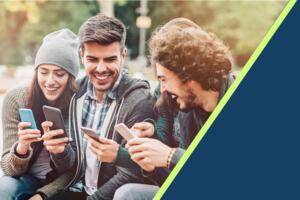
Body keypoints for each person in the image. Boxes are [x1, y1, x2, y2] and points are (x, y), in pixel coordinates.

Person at [113, 18, 235, 200]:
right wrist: (151, 167)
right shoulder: (187, 112)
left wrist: (171, 156)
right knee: (128, 194)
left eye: (164, 79)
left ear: (188, 74)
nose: (162, 89)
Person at [47, 14, 154, 200]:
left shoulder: (138, 100)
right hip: (74, 190)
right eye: (93, 59)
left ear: (123, 55)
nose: (101, 69)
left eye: (110, 59)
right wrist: (60, 152)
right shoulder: (74, 94)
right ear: (81, 55)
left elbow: (132, 172)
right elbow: (69, 166)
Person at [0, 29, 80, 200]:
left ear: (71, 77)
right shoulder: (16, 99)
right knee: (4, 187)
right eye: (43, 72)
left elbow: (76, 169)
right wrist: (21, 149)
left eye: (59, 74)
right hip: (26, 179)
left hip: (64, 185)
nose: (50, 81)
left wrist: (43, 195)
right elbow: (8, 170)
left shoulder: (79, 103)